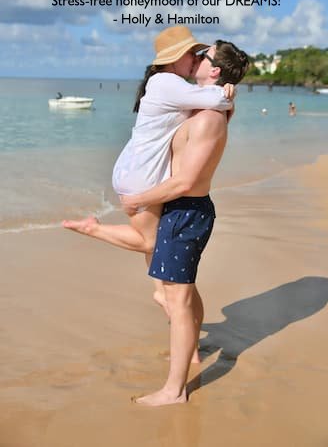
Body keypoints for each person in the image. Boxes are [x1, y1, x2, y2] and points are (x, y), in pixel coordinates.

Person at [120, 41, 249, 406]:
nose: (194, 60)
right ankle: (191, 353)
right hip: (182, 210)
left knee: (177, 302)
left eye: (202, 57)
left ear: (215, 70)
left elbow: (186, 181)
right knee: (185, 294)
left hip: (185, 211)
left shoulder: (206, 119)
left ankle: (174, 391)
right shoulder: (203, 108)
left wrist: (140, 199)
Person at [63, 27, 233, 259]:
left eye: (197, 53)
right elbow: (215, 99)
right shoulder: (166, 82)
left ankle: (163, 293)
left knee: (151, 244)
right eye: (191, 53)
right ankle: (92, 228)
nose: (195, 58)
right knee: (149, 242)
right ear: (174, 58)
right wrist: (228, 93)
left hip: (137, 167)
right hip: (142, 173)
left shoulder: (168, 83)